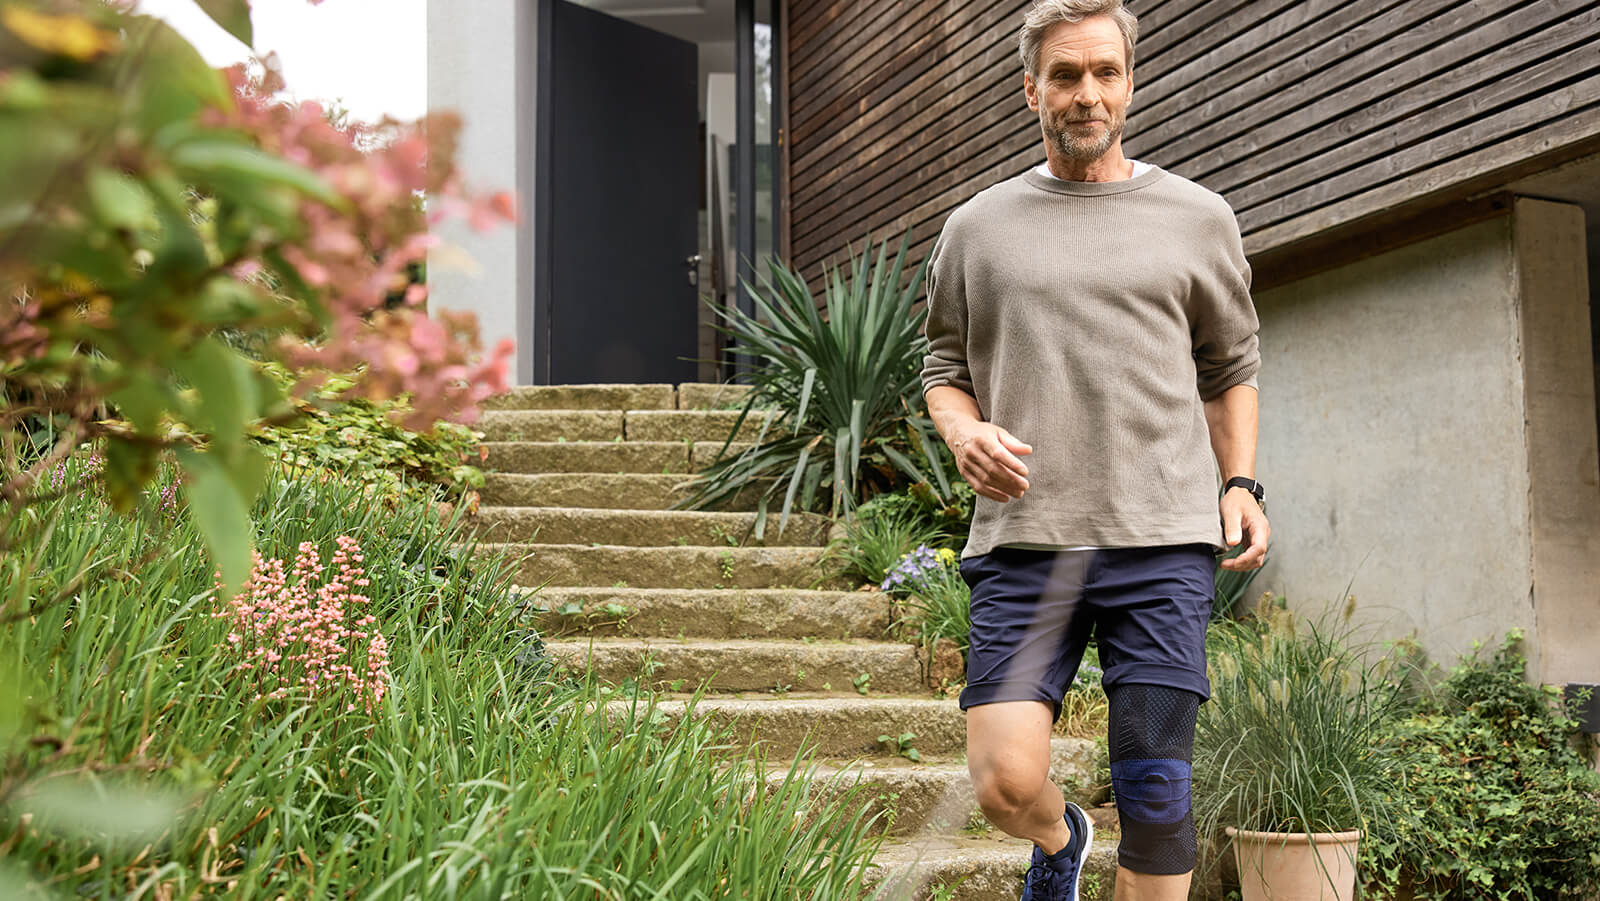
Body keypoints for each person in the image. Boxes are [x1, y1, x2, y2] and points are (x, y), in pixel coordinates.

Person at [919, 2, 1271, 899]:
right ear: (1030, 88)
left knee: (1157, 787)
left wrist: (1240, 483)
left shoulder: (1197, 217)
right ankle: (1059, 836)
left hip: (1161, 535)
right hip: (1027, 534)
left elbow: (1231, 364)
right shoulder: (977, 229)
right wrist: (963, 430)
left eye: (1105, 73)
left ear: (1127, 81)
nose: (1087, 94)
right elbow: (942, 366)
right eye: (1066, 76)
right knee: (1002, 777)